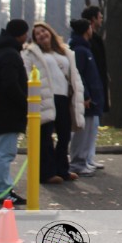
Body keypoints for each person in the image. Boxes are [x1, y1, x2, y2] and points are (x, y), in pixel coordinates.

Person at [23, 22, 86, 183]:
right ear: (35, 39)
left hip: (64, 97)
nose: (41, 35)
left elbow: (74, 75)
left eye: (43, 31)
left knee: (64, 135)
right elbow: (27, 74)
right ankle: (47, 172)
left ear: (50, 32)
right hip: (45, 98)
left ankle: (62, 169)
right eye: (37, 34)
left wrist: (79, 94)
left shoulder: (65, 51)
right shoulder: (31, 53)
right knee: (45, 137)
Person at [0, 19, 29, 205]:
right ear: (20, 34)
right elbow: (10, 84)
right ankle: (3, 191)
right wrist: (25, 102)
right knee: (5, 153)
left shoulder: (0, 52)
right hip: (8, 112)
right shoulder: (11, 55)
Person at [68, 19, 104, 176]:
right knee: (82, 132)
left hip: (92, 96)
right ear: (86, 30)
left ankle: (85, 159)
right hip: (87, 98)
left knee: (89, 130)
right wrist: (85, 95)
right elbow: (79, 75)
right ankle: (78, 162)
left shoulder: (84, 49)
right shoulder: (80, 51)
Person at [81, 5, 109, 170]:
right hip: (91, 88)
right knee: (88, 125)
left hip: (97, 86)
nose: (101, 19)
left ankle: (89, 157)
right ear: (92, 19)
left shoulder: (94, 40)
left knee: (94, 124)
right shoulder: (88, 43)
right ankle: (84, 158)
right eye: (99, 17)